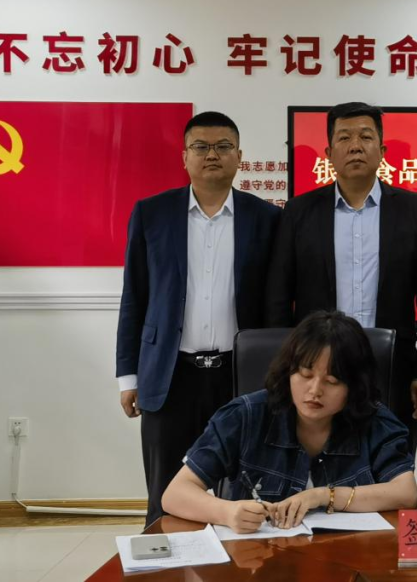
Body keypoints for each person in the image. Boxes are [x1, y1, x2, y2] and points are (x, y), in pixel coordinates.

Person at [116, 111, 281, 527]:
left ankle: (237, 561)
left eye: (223, 146)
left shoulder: (266, 218)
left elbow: (276, 305)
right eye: (201, 146)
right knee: (166, 491)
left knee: (242, 488)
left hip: (238, 376)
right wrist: (128, 377)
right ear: (184, 156)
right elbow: (135, 297)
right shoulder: (152, 213)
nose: (212, 155)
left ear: (239, 156)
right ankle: (166, 559)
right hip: (170, 375)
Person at [266, 101, 417, 452]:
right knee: (319, 458)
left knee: (389, 461)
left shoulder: (413, 209)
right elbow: (278, 296)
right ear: (329, 153)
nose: (355, 146)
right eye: (344, 138)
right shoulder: (300, 211)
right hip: (317, 367)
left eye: (365, 136)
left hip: (392, 366)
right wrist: (286, 369)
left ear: (382, 150)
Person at [162, 311, 417, 533]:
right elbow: (175, 494)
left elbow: (405, 494)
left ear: (354, 386)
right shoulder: (244, 416)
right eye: (305, 375)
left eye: (331, 381)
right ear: (288, 373)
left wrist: (324, 496)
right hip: (258, 560)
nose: (314, 391)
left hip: (347, 559)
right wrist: (226, 512)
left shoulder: (375, 421)